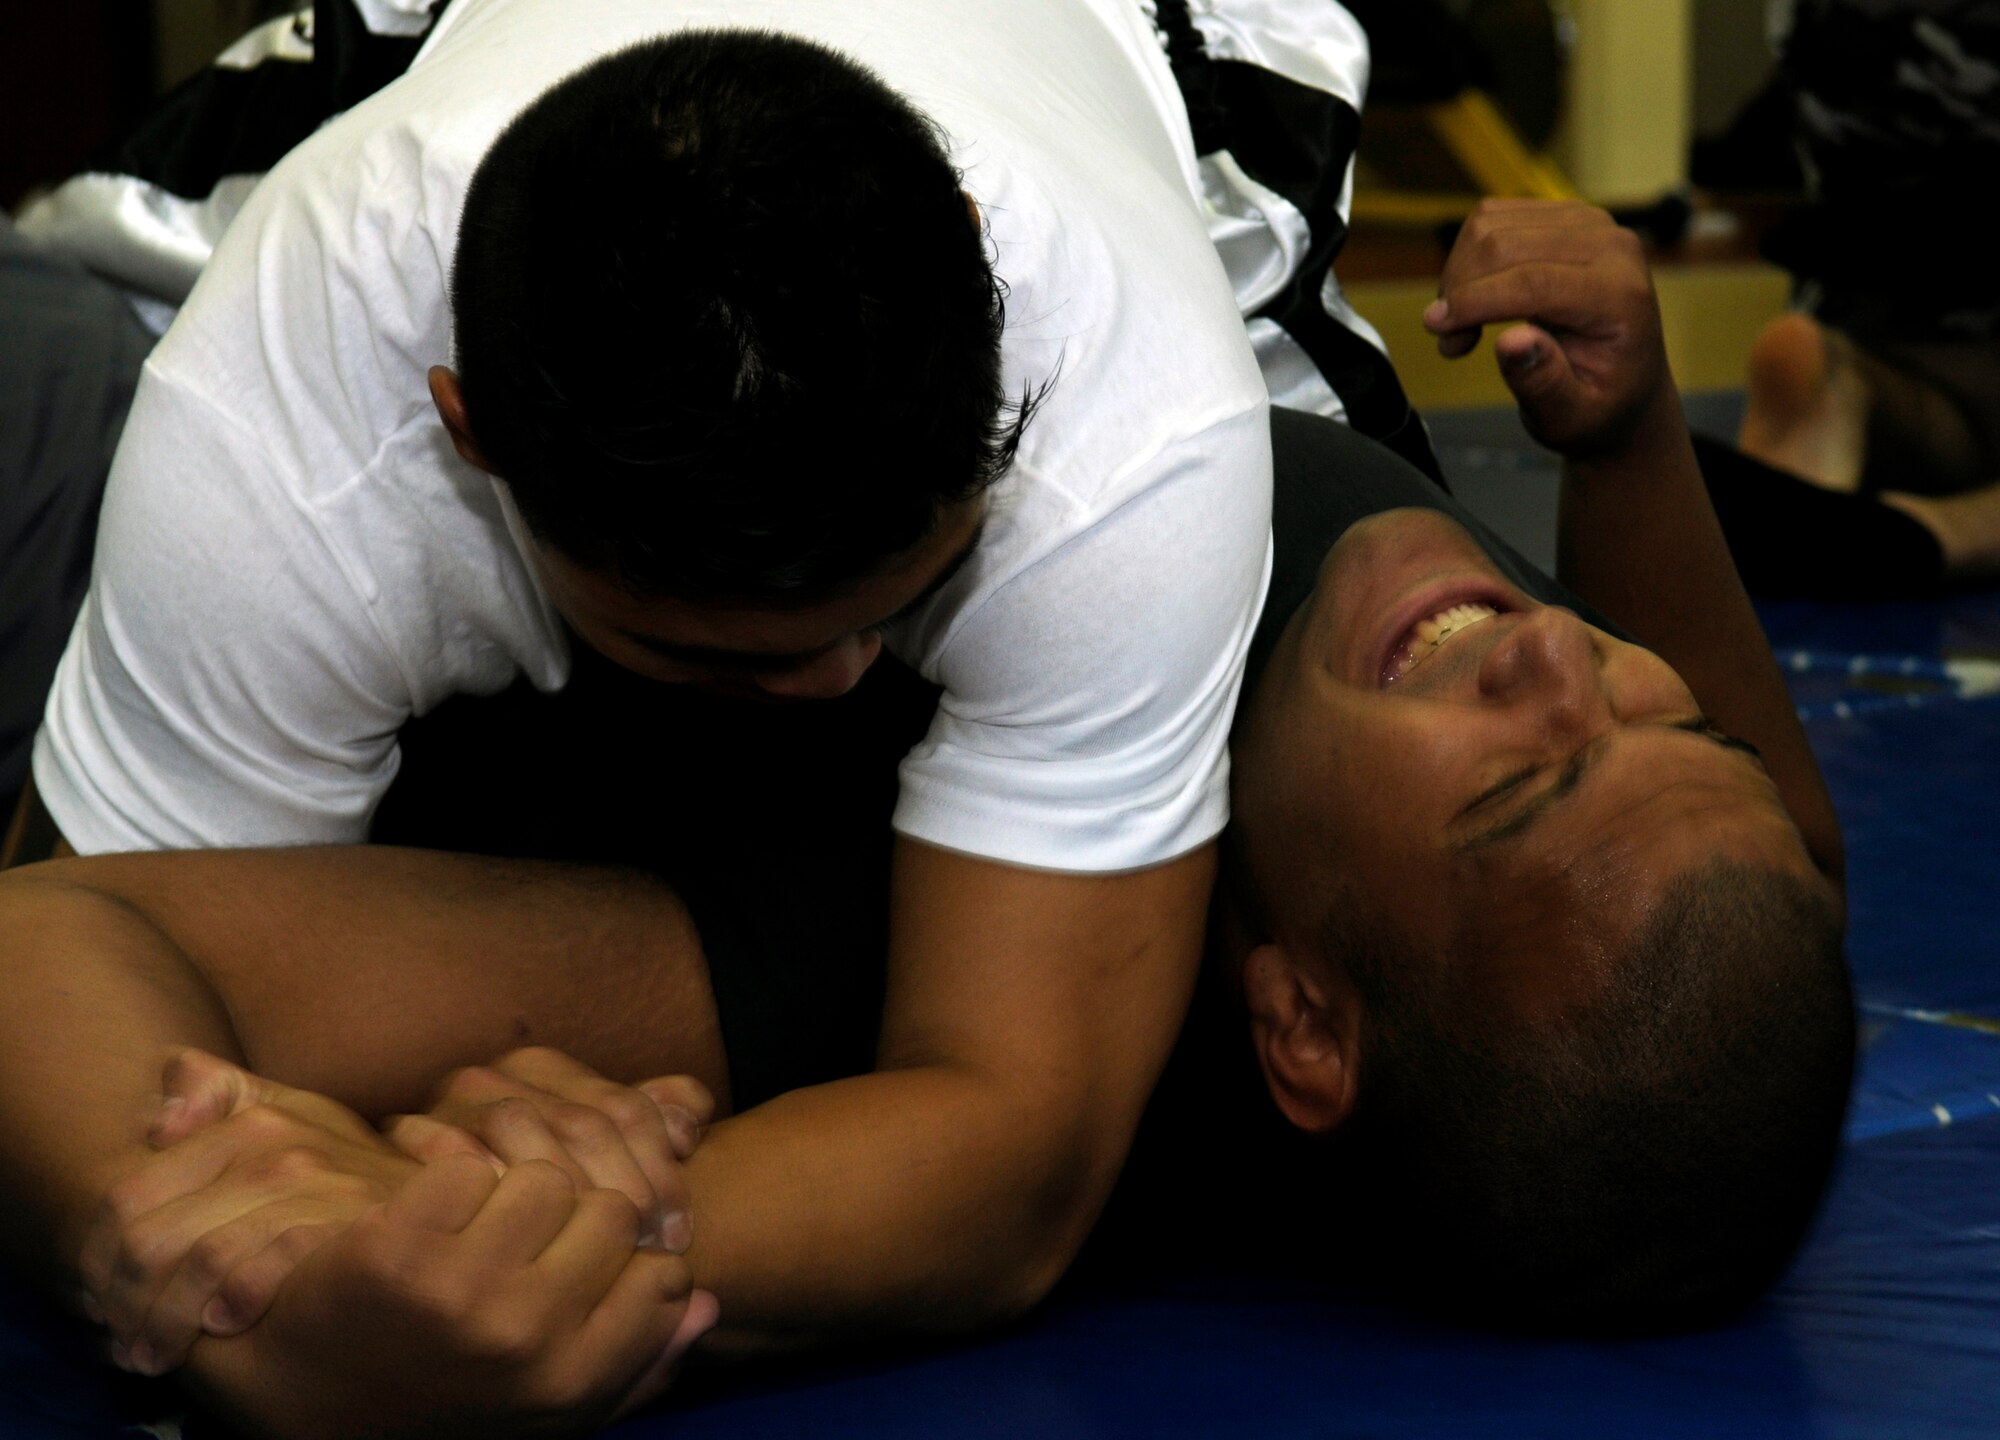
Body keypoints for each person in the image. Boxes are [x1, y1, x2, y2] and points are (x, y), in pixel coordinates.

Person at [0, 200, 1855, 1436]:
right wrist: (1628, 456)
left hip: (145, 465)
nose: (1556, 659)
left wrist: (286, 1286)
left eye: (1524, 785)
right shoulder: (1559, 828)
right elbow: (1789, 866)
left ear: (1294, 1016)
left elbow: (57, 939)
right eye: (1649, 706)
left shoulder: (956, 935)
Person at [7, 3, 1288, 1431]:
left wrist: (510, 1235)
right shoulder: (286, 415)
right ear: (466, 430)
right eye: (726, 659)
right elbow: (66, 975)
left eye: (888, 612)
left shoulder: (1137, 417)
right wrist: (304, 1327)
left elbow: (1018, 1157)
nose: (838, 690)